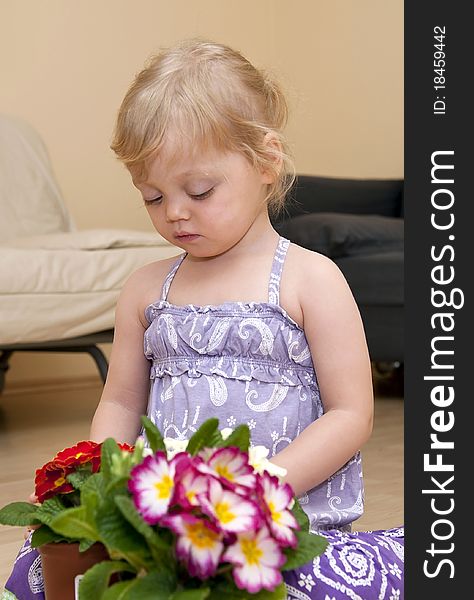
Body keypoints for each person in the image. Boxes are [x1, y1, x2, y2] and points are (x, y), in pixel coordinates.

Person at [3, 39, 403, 600]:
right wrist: (103, 487)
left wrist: (259, 493)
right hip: (171, 531)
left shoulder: (311, 281)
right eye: (151, 196)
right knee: (48, 569)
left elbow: (350, 414)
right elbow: (120, 402)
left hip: (279, 531)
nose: (174, 212)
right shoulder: (147, 289)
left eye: (199, 190)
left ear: (267, 160)